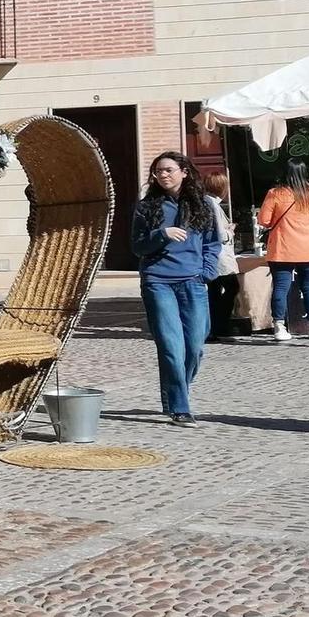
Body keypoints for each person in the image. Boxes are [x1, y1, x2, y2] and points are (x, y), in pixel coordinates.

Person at [133, 151, 220, 426]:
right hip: (158, 282)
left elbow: (212, 243)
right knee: (171, 346)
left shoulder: (202, 205)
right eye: (158, 171)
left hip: (192, 281)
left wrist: (206, 273)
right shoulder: (146, 208)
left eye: (169, 170)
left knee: (195, 346)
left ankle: (174, 391)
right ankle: (180, 407)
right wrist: (161, 235)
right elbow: (136, 247)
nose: (163, 175)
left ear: (184, 171)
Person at [258, 161, 309, 342]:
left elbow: (264, 220)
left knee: (281, 288)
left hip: (283, 249)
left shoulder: (275, 194)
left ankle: (279, 327)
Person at [201, 170, 241, 342]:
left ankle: (215, 327)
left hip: (213, 255)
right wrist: (230, 232)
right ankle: (218, 325)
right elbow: (217, 233)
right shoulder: (212, 205)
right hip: (218, 255)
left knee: (215, 291)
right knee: (231, 287)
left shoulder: (208, 202)